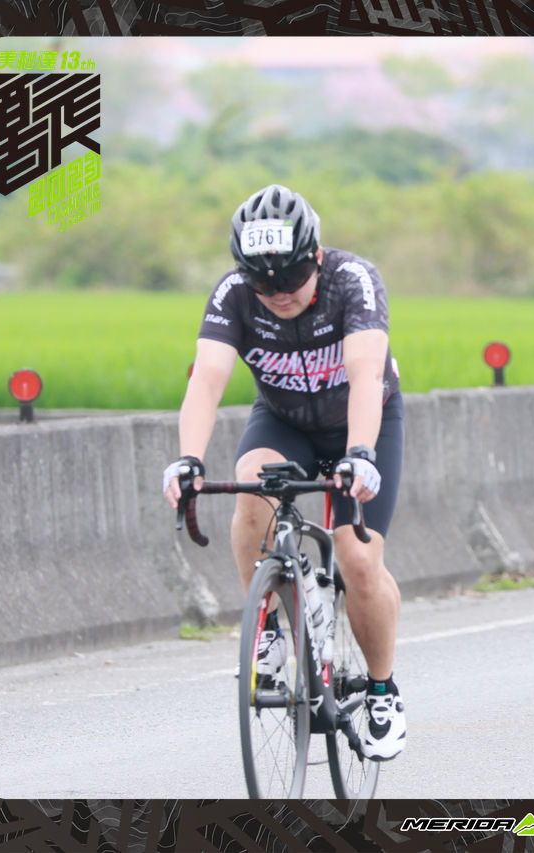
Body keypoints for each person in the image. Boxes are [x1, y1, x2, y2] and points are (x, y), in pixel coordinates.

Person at [162, 184, 406, 760]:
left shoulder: (353, 281)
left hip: (359, 422)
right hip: (284, 419)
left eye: (291, 278)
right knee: (251, 488)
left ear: (315, 257)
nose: (277, 293)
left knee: (358, 559)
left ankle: (382, 691)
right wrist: (189, 458)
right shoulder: (233, 295)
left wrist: (360, 453)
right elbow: (206, 380)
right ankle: (269, 626)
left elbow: (366, 375)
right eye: (261, 282)